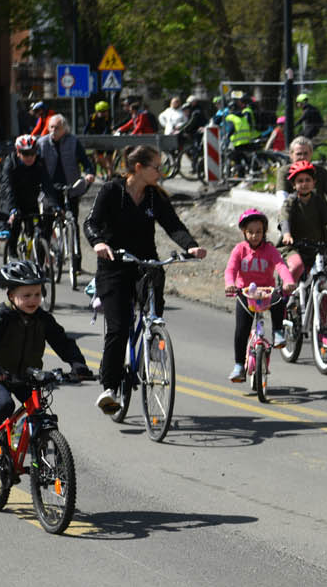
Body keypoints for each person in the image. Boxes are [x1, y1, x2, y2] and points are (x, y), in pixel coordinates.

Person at [84, 144, 206, 413]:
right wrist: (98, 243)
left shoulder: (154, 197)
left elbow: (173, 225)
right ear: (138, 168)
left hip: (145, 264)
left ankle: (152, 336)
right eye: (157, 168)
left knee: (154, 302)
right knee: (119, 326)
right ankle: (110, 387)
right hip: (114, 265)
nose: (161, 173)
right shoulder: (111, 191)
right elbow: (90, 222)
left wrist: (191, 246)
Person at [0, 259, 90, 466]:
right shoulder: (2, 315)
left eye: (37, 294)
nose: (33, 300)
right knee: (5, 405)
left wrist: (78, 364)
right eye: (26, 295)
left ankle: (30, 448)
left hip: (25, 375)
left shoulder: (42, 318)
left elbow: (62, 342)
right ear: (10, 295)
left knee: (39, 411)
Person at [224, 208, 296, 381]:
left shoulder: (270, 250)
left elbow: (281, 266)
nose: (255, 236)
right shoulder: (239, 250)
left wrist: (288, 281)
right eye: (250, 232)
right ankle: (239, 366)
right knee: (241, 329)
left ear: (264, 232)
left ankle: (278, 332)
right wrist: (230, 284)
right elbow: (231, 269)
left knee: (279, 298)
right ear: (244, 232)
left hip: (266, 293)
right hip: (245, 294)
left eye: (259, 232)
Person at [280, 160, 327, 253]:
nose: (304, 184)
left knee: (326, 263)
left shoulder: (318, 200)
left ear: (314, 182)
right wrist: (287, 235)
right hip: (294, 245)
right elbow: (284, 219)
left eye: (308, 180)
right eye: (300, 181)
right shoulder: (290, 201)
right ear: (293, 185)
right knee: (296, 266)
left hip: (318, 244)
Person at [38, 116, 95, 228]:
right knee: (47, 225)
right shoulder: (42, 143)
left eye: (57, 127)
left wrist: (89, 173)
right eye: (51, 127)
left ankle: (75, 245)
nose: (54, 130)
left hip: (70, 188)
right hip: (50, 189)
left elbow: (85, 161)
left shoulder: (73, 142)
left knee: (73, 221)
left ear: (65, 129)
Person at [0, 134, 48, 262]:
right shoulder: (10, 162)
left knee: (38, 229)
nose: (30, 157)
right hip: (11, 199)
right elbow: (7, 188)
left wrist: (54, 205)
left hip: (30, 200)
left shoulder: (40, 162)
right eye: (26, 154)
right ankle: (12, 255)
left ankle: (40, 264)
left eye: (33, 153)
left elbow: (48, 186)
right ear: (18, 152)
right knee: (15, 226)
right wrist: (12, 209)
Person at [278, 136, 327, 214]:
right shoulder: (284, 172)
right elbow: (282, 194)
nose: (302, 157)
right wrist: (284, 212)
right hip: (294, 216)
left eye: (305, 153)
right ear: (291, 155)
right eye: (298, 154)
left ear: (311, 154)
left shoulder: (321, 172)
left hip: (319, 217)